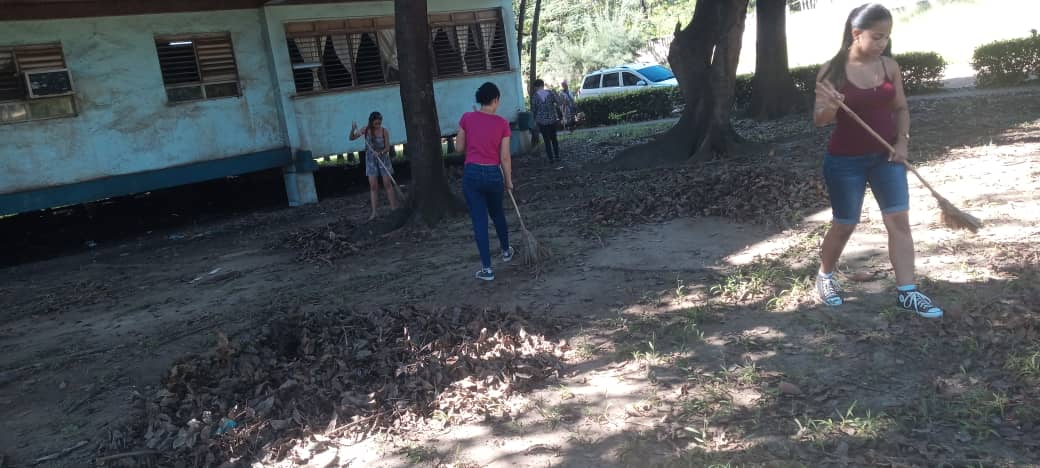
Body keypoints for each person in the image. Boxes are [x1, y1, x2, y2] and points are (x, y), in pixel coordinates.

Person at [813, 3, 942, 318]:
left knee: (899, 221)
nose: (883, 42)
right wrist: (833, 105)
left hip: (887, 157)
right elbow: (819, 120)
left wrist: (902, 142)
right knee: (845, 224)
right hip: (845, 161)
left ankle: (907, 292)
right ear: (857, 33)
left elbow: (901, 108)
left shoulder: (889, 66)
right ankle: (824, 277)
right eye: (877, 36)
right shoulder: (833, 70)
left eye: (887, 37)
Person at [457, 82, 515, 281]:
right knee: (497, 213)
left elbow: (459, 148)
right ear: (496, 100)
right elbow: (505, 157)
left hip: (472, 173)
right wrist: (508, 181)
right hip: (493, 173)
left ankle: (487, 269)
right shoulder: (502, 123)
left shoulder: (467, 118)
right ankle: (506, 251)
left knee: (479, 221)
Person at [349, 111, 398, 221]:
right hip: (370, 160)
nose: (378, 125)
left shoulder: (384, 131)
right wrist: (353, 129)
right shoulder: (365, 130)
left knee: (387, 183)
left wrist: (380, 153)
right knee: (373, 186)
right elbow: (351, 138)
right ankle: (374, 212)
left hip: (383, 159)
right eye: (376, 123)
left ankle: (394, 208)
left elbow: (387, 148)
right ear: (371, 122)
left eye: (379, 123)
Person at [531, 79, 562, 162]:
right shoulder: (550, 93)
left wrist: (534, 120)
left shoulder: (535, 96)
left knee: (546, 140)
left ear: (536, 87)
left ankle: (550, 158)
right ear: (543, 85)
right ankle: (557, 156)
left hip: (542, 122)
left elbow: (534, 110)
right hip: (552, 119)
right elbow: (559, 102)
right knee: (554, 139)